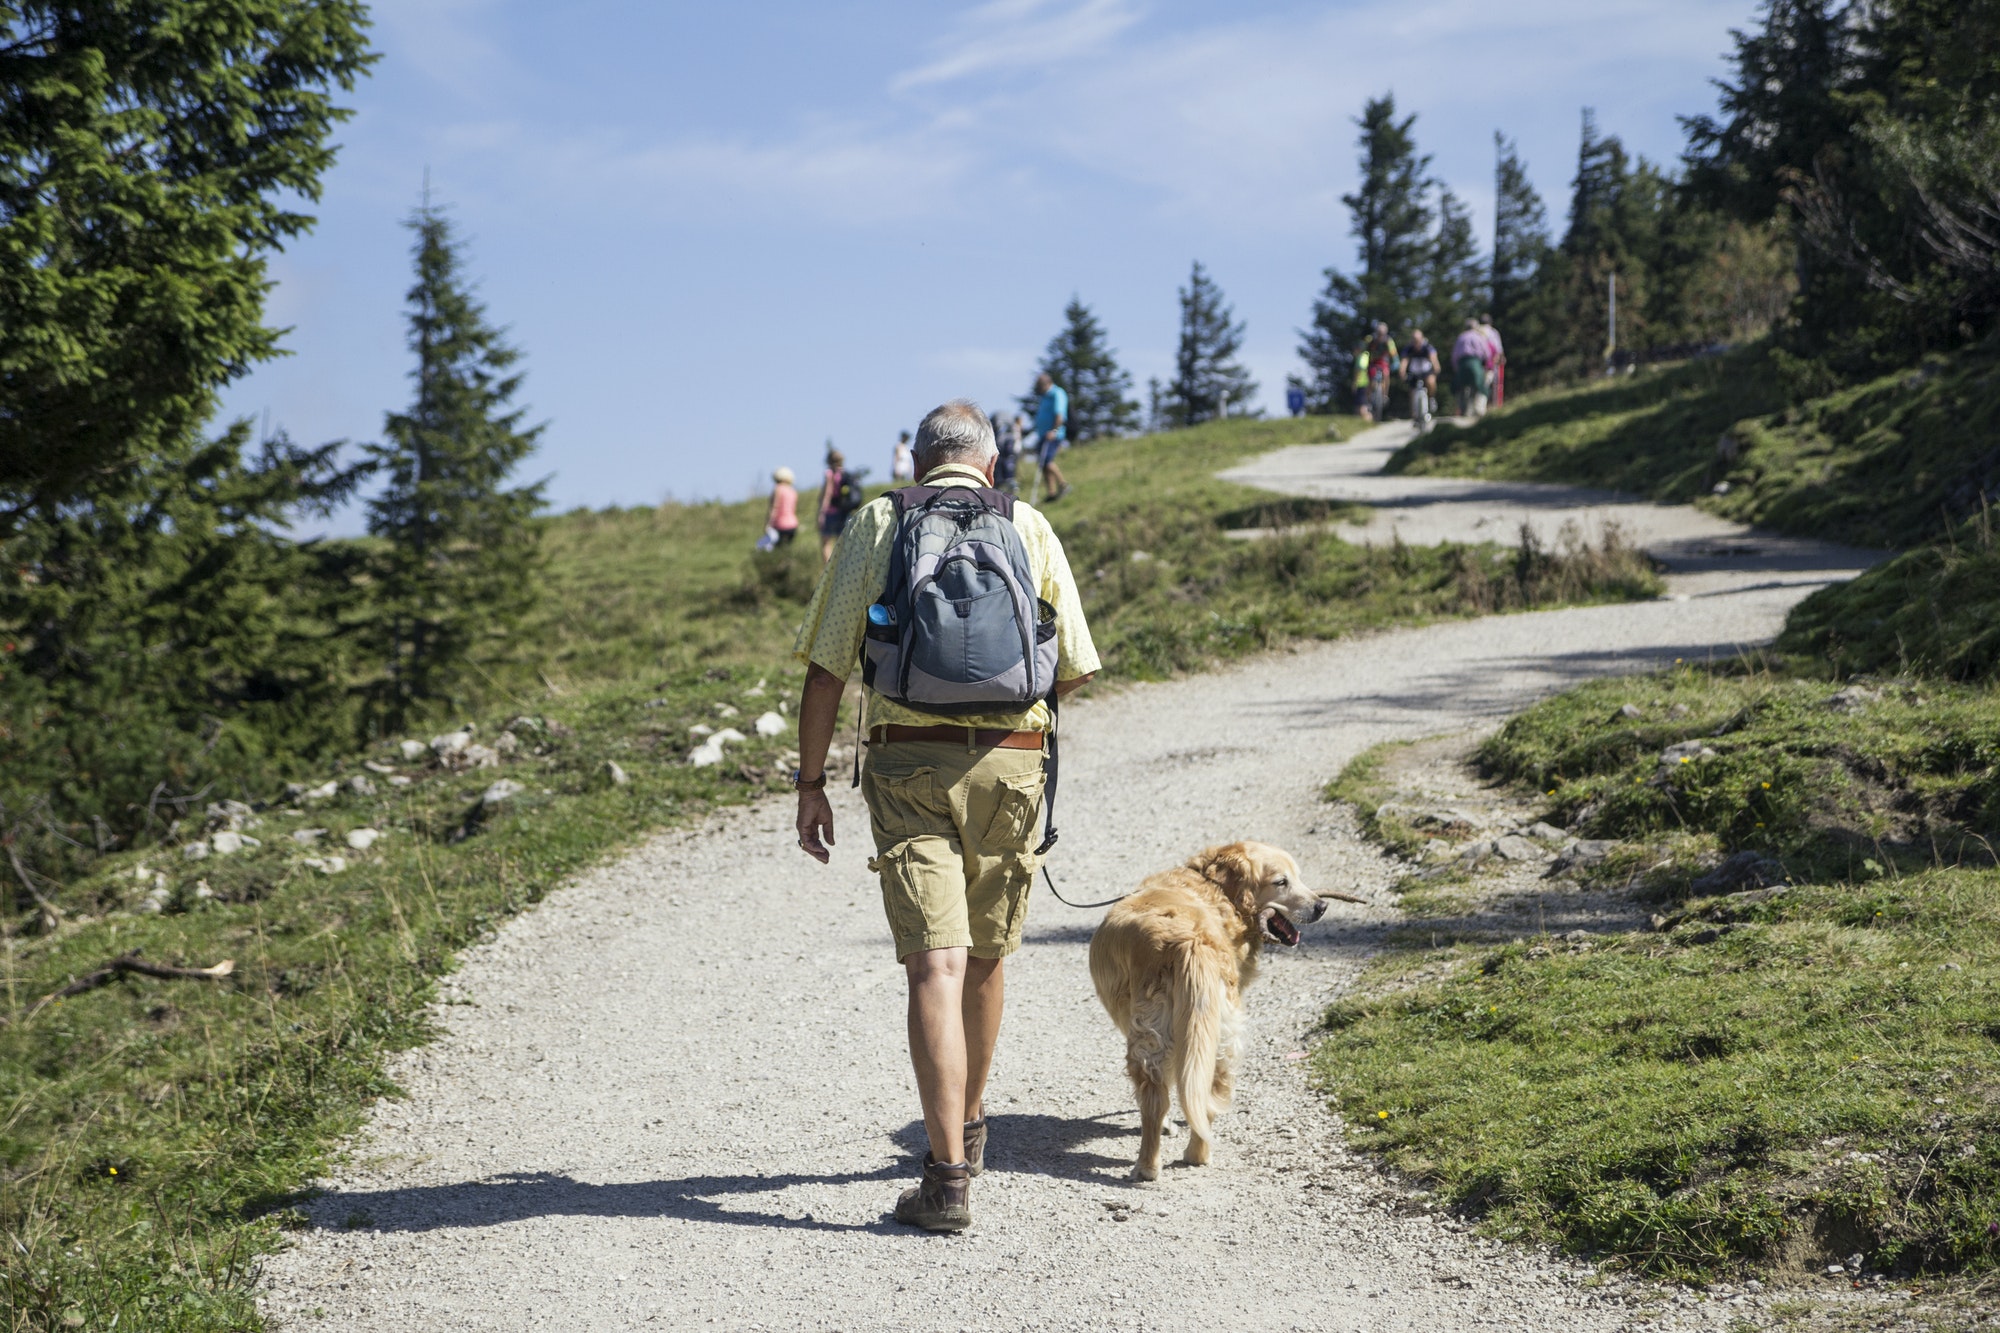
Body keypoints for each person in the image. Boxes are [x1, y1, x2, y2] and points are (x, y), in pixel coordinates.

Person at [791, 399, 1100, 1232]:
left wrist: (811, 781)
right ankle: (970, 1122)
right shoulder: (1028, 525)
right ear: (991, 465)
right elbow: (1072, 668)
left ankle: (948, 1179)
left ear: (919, 463)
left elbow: (826, 669)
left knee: (935, 964)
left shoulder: (877, 522)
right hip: (1011, 762)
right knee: (988, 960)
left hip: (905, 762)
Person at [1029, 372, 1069, 502]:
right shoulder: (1045, 396)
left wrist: (1054, 430)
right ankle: (1051, 492)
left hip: (1053, 434)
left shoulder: (1057, 393)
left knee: (1047, 461)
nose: (1038, 389)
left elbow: (1060, 415)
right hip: (1043, 435)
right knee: (1042, 464)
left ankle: (1063, 484)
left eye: (1039, 386)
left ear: (1046, 383)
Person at [818, 446, 851, 563]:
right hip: (843, 511)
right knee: (841, 542)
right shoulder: (845, 474)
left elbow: (828, 493)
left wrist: (821, 512)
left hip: (831, 511)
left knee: (826, 542)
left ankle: (828, 569)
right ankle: (841, 567)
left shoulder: (829, 474)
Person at [1452, 318, 1491, 417]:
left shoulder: (1461, 337)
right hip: (1475, 363)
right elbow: (1487, 353)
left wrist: (1456, 368)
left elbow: (1454, 355)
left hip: (1462, 364)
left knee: (1462, 389)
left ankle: (1464, 411)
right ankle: (1477, 411)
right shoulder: (1478, 337)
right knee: (1478, 387)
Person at [1401, 329, 1439, 430]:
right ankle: (1415, 416)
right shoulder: (1409, 349)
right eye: (1414, 340)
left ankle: (1431, 398)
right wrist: (1402, 372)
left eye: (1417, 340)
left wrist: (1436, 368)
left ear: (1422, 339)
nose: (1416, 342)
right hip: (1414, 373)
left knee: (1431, 381)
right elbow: (1404, 362)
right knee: (1412, 393)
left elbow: (1434, 359)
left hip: (1426, 371)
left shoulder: (1427, 348)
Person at [1364, 321, 1398, 422]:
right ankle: (1369, 399)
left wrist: (1396, 361)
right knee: (1371, 379)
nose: (1380, 335)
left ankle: (1384, 395)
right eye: (1379, 333)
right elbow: (1364, 350)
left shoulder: (1388, 341)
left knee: (1386, 375)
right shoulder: (1370, 339)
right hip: (1373, 362)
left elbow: (1393, 353)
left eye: (1382, 333)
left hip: (1383, 362)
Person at [763, 466, 799, 548]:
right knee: (787, 547)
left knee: (776, 549)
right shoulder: (792, 490)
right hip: (793, 524)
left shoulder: (777, 489)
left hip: (780, 525)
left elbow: (774, 507)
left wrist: (768, 524)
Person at [990, 408, 1020, 497]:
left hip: (1004, 453)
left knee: (1006, 463)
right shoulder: (1010, 432)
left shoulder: (1006, 436)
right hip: (1003, 453)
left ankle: (1008, 483)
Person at [1479, 313, 1506, 407]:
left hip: (1478, 362)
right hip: (1492, 361)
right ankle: (1495, 405)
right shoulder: (1493, 332)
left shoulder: (1476, 331)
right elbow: (1498, 348)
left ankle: (1482, 407)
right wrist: (1501, 358)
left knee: (1481, 385)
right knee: (1494, 385)